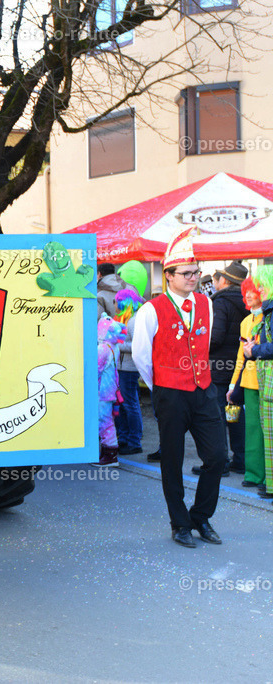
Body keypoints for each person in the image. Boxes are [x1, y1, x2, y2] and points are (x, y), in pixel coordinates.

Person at [132, 226, 226, 548]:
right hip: (170, 393)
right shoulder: (150, 310)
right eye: (186, 273)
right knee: (171, 461)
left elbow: (204, 345)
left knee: (217, 456)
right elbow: (142, 356)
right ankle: (180, 523)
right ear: (168, 275)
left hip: (204, 390)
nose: (193, 277)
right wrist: (162, 385)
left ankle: (200, 516)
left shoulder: (206, 304)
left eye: (196, 272)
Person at [198, 261, 249, 477]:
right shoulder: (247, 302)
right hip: (238, 367)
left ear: (225, 281)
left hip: (218, 367)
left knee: (217, 415)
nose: (214, 282)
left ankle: (221, 463)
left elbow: (215, 338)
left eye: (217, 278)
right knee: (234, 412)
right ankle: (240, 459)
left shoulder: (220, 303)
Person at [229, 276, 266, 493]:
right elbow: (240, 358)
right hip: (250, 383)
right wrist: (233, 385)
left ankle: (266, 474)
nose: (248, 295)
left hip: (267, 381)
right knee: (252, 429)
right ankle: (254, 474)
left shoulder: (268, 319)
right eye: (246, 292)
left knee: (267, 430)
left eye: (253, 291)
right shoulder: (245, 322)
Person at [242, 266, 273, 500]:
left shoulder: (269, 314)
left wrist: (256, 349)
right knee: (261, 432)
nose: (257, 291)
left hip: (267, 381)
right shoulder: (260, 316)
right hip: (259, 380)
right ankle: (264, 481)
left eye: (261, 285)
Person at [112, 281, 145, 455]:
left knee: (130, 404)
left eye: (117, 301)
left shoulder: (133, 321)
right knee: (122, 404)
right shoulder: (125, 319)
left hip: (129, 369)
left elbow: (137, 345)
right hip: (121, 367)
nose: (115, 305)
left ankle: (134, 441)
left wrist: (116, 344)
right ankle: (123, 438)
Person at [94, 315, 126, 467]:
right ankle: (108, 453)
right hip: (111, 390)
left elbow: (96, 371)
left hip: (102, 392)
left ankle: (110, 456)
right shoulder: (114, 346)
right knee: (107, 421)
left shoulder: (102, 349)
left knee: (104, 422)